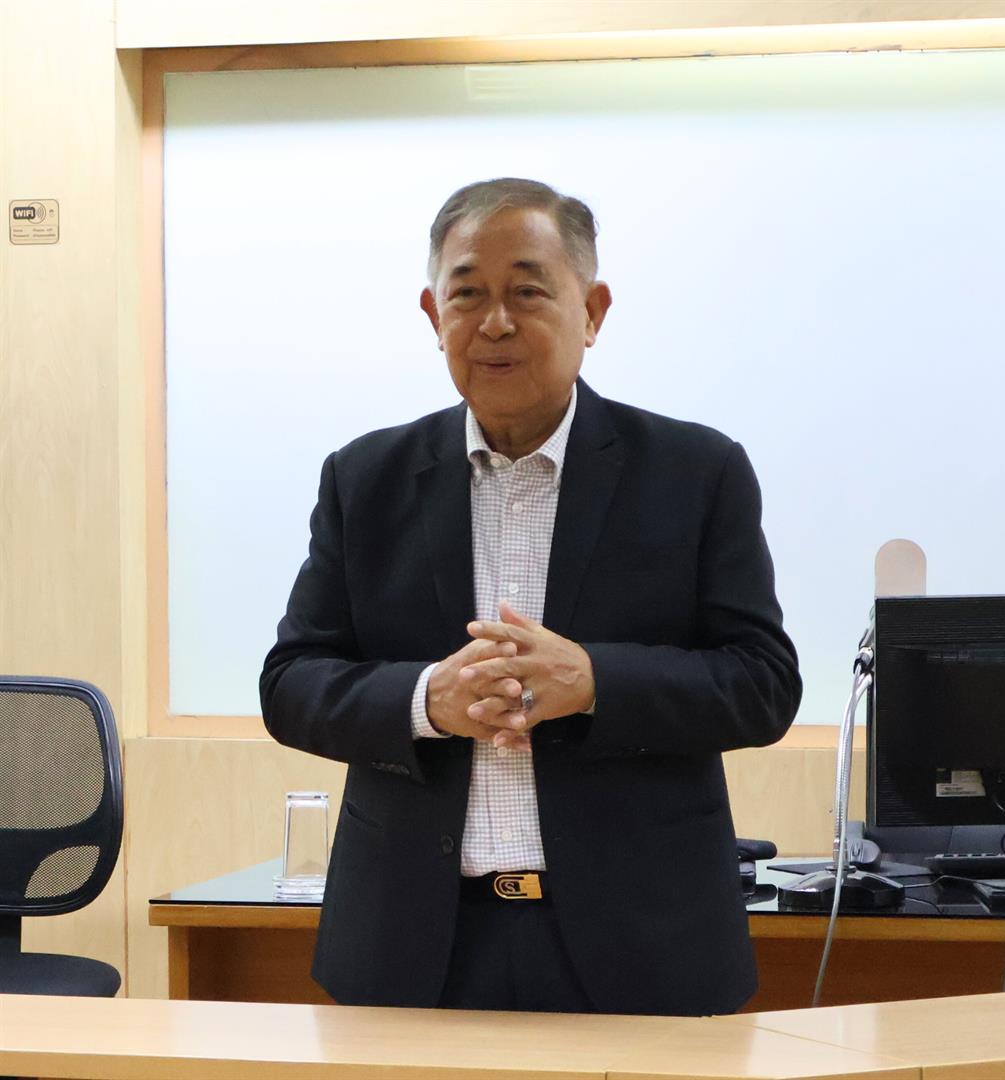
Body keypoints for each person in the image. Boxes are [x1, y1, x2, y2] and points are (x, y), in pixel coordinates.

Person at [260, 178, 801, 1016]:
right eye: (467, 295)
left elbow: (763, 683)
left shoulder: (696, 472)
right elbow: (292, 682)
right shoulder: (364, 479)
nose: (495, 322)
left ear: (592, 311)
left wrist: (593, 680)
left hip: (642, 942)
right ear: (433, 315)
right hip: (411, 943)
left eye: (527, 292)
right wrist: (425, 700)